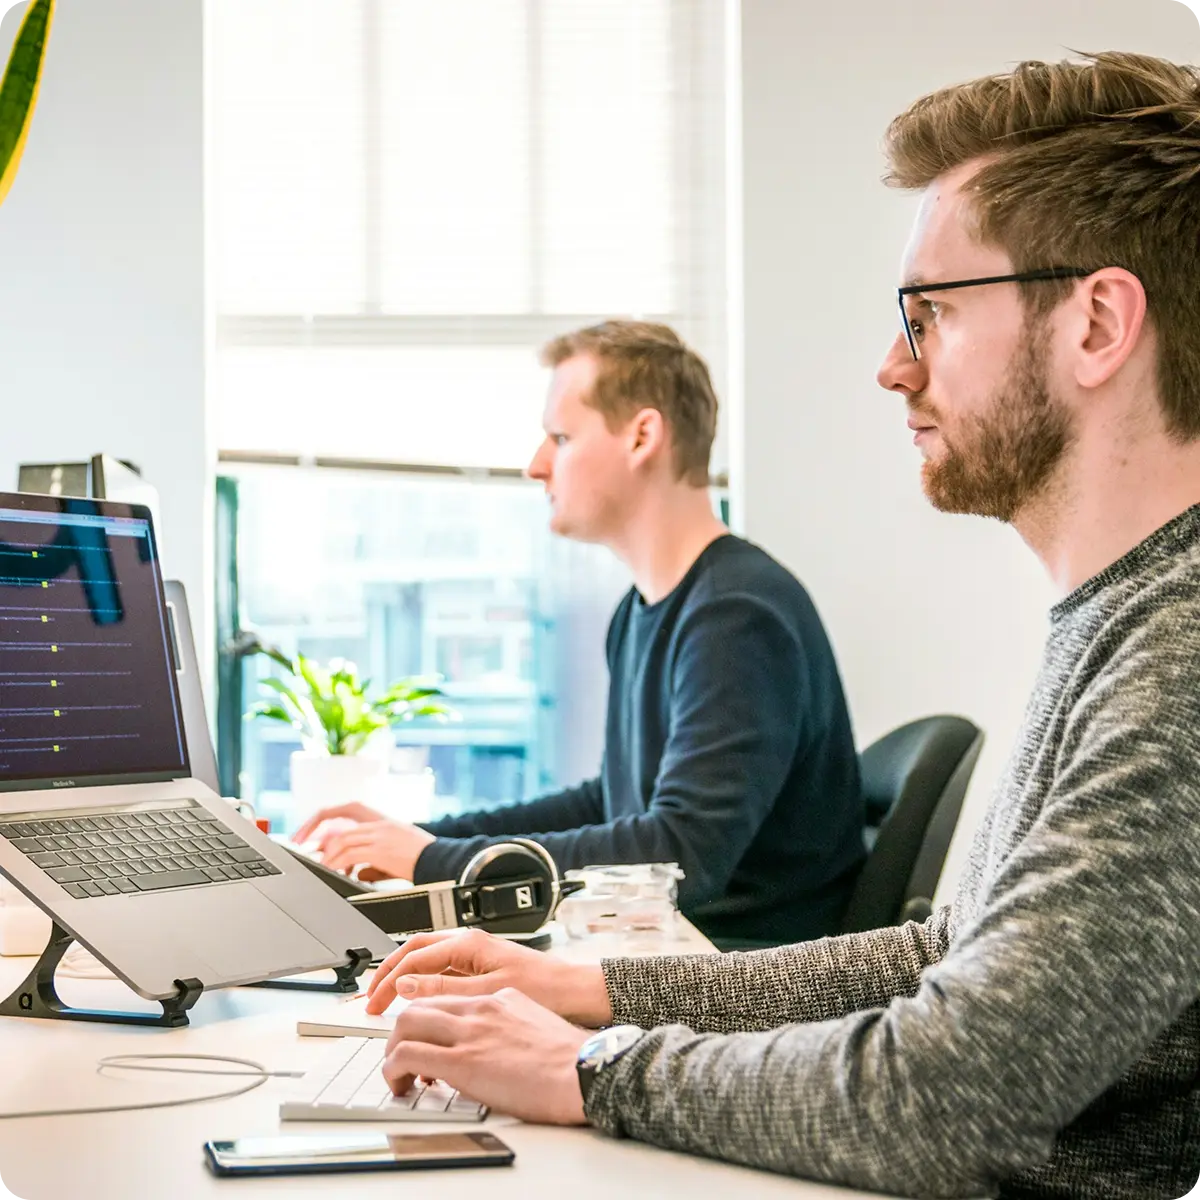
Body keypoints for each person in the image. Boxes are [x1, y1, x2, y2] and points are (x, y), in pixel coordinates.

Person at [358, 52, 1200, 1198]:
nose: (893, 367)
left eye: (932, 314)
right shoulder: (1119, 619)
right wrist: (594, 993)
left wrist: (595, 1069)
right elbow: (942, 955)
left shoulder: (1177, 660)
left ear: (1097, 321)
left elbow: (949, 1093)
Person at [296, 320, 866, 946]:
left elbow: (680, 855)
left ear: (642, 436)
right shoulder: (645, 609)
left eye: (561, 437)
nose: (535, 466)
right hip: (672, 948)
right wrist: (427, 840)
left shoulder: (737, 616)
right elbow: (612, 804)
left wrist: (435, 863)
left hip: (738, 975)